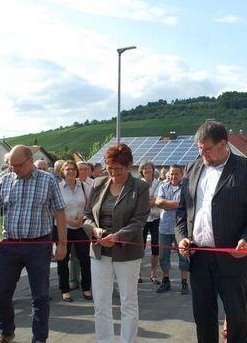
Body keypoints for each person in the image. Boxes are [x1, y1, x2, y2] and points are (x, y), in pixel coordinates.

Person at [176, 121, 247, 343]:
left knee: (237, 318)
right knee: (203, 317)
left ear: (224, 144)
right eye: (199, 148)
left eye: (207, 148)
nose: (202, 153)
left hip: (232, 256)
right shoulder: (192, 168)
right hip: (198, 257)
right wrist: (182, 238)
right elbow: (182, 212)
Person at [0, 145, 68, 343]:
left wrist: (62, 244)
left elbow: (60, 212)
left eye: (18, 165)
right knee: (1, 292)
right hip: (10, 244)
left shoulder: (48, 180)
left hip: (39, 245)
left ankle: (39, 338)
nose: (14, 169)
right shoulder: (5, 179)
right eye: (11, 165)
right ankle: (7, 331)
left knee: (40, 296)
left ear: (29, 161)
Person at [82, 143, 149, 343]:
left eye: (118, 169)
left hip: (127, 252)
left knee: (128, 302)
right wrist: (94, 229)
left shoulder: (140, 187)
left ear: (129, 166)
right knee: (101, 303)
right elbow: (87, 216)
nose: (113, 173)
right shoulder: (98, 184)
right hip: (99, 251)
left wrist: (117, 237)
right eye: (109, 168)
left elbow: (139, 220)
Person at [56, 160, 92, 302]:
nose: (71, 171)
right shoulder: (58, 187)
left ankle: (86, 288)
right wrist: (69, 220)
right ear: (63, 172)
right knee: (63, 259)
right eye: (67, 169)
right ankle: (65, 290)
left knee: (85, 259)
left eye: (73, 169)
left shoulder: (83, 186)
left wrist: (82, 216)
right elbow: (54, 209)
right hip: (64, 227)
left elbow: (89, 205)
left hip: (81, 227)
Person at [155, 164, 189, 294]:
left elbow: (185, 205)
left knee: (183, 256)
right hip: (164, 227)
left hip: (180, 228)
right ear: (168, 174)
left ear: (181, 175)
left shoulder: (185, 188)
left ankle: (184, 283)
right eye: (172, 173)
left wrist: (166, 203)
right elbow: (158, 202)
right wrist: (178, 204)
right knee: (163, 256)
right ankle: (166, 280)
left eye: (176, 174)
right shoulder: (163, 186)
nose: (174, 176)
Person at [139, 161, 162, 284]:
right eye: (144, 168)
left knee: (155, 247)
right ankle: (137, 273)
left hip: (156, 219)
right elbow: (139, 202)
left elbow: (159, 200)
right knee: (140, 248)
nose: (147, 170)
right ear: (141, 171)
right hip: (142, 219)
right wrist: (152, 200)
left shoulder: (160, 183)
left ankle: (153, 274)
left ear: (153, 170)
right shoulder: (138, 184)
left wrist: (150, 201)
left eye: (149, 168)